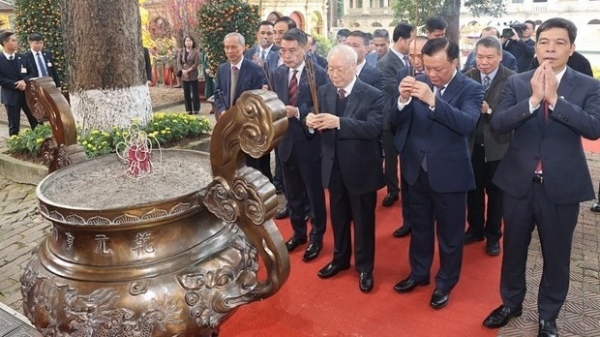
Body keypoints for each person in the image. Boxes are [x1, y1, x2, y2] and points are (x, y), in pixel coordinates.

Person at [482, 18, 600, 337]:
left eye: (559, 42)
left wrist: (554, 100)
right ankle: (511, 302)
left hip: (561, 186)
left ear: (571, 48)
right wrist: (534, 100)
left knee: (557, 255)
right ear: (535, 47)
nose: (550, 48)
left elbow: (593, 127)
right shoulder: (518, 82)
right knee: (514, 249)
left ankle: (549, 315)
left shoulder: (588, 85)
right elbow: (500, 123)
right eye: (544, 42)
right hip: (519, 182)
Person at [392, 38, 483, 309]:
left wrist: (433, 101)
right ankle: (419, 274)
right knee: (419, 229)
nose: (431, 74)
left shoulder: (472, 88)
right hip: (416, 170)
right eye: (427, 68)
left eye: (438, 69)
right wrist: (401, 100)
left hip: (450, 173)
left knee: (451, 235)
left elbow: (466, 124)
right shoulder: (416, 79)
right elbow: (396, 123)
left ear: (453, 62)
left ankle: (445, 282)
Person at [307, 45, 384, 293]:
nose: (333, 73)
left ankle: (364, 268)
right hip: (333, 167)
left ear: (353, 67)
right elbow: (315, 116)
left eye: (339, 69)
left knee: (363, 223)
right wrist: (310, 120)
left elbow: (374, 128)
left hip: (361, 168)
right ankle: (340, 259)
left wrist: (339, 122)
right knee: (338, 218)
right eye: (330, 68)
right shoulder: (324, 90)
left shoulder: (372, 94)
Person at [271, 28, 328, 262]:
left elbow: (324, 108)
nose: (287, 55)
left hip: (310, 142)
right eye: (283, 50)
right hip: (285, 142)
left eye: (292, 50)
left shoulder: (320, 74)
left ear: (305, 48)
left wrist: (298, 112)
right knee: (292, 192)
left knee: (314, 194)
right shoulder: (277, 73)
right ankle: (298, 233)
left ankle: (317, 236)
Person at [463, 36, 515, 256]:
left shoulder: (512, 79)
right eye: (479, 56)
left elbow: (514, 115)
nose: (483, 62)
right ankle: (475, 228)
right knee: (472, 191)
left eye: (489, 57)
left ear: (500, 56)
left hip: (499, 146)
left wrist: (489, 110)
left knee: (496, 195)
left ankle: (493, 235)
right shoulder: (468, 76)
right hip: (472, 145)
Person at [214, 33, 270, 180]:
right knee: (233, 163)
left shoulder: (255, 70)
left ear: (243, 48)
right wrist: (222, 111)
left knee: (253, 166)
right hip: (228, 126)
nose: (229, 51)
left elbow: (258, 99)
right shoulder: (222, 69)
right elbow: (218, 93)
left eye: (233, 47)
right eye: (226, 47)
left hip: (248, 127)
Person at [390, 35, 428, 239]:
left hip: (430, 140)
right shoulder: (403, 74)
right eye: (411, 55)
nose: (416, 60)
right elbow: (395, 109)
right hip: (407, 137)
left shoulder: (436, 75)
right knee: (407, 182)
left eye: (420, 55)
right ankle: (408, 221)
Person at [377, 23, 415, 208]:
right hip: (390, 117)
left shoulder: (410, 59)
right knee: (391, 159)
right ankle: (393, 189)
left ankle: (410, 187)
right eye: (412, 39)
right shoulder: (385, 62)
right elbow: (396, 89)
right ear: (402, 40)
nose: (414, 44)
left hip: (407, 115)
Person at [0, 31, 39, 136]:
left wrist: (24, 81)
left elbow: (33, 72)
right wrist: (15, 84)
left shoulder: (23, 57)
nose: (17, 42)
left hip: (27, 95)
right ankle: (16, 147)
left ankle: (41, 144)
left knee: (36, 122)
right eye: (13, 40)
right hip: (10, 96)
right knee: (14, 126)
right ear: (5, 43)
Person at [177, 36, 200, 115]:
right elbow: (179, 62)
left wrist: (188, 70)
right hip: (184, 75)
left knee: (195, 92)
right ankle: (188, 109)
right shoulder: (182, 51)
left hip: (193, 74)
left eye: (190, 41)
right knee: (186, 93)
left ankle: (196, 109)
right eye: (187, 41)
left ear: (192, 42)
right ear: (184, 42)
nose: (188, 42)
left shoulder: (196, 52)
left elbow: (196, 63)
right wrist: (183, 70)